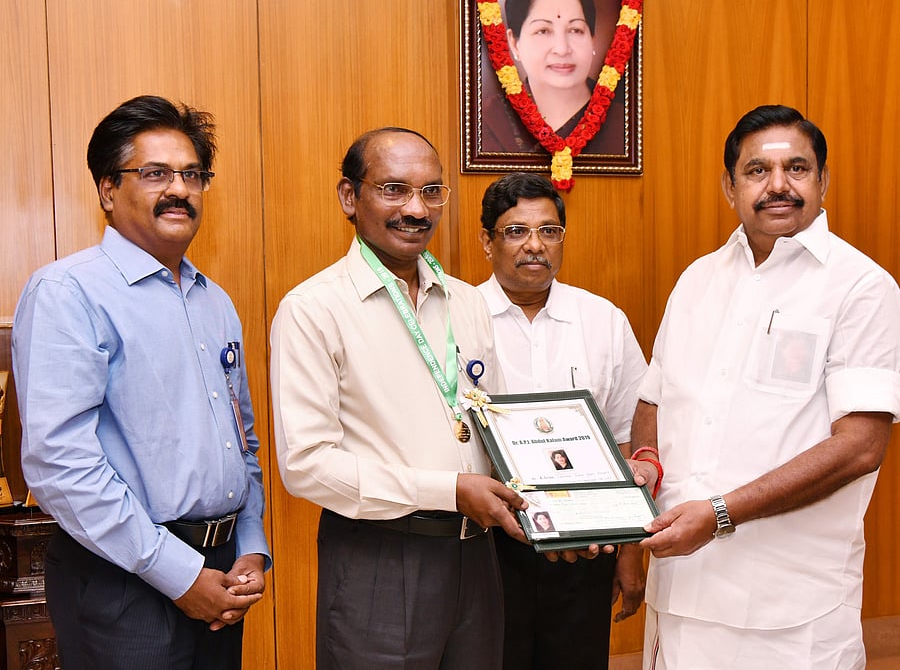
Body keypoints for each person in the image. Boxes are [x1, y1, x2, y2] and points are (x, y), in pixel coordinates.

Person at [632, 105, 900, 669]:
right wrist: (645, 464)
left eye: (797, 169)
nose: (778, 186)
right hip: (680, 588)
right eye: (757, 171)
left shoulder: (862, 287)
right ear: (729, 186)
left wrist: (722, 512)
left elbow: (860, 446)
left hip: (788, 608)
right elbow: (655, 398)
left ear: (823, 180)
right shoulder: (698, 279)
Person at [12, 95, 271, 670]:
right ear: (108, 190)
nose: (179, 188)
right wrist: (177, 575)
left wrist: (251, 546)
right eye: (154, 173)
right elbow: (60, 463)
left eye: (192, 174)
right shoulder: (67, 292)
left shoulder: (214, 300)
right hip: (124, 579)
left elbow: (242, 439)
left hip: (223, 572)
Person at [270, 127, 531, 670]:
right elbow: (306, 467)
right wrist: (447, 490)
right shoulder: (313, 310)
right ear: (350, 197)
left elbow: (496, 428)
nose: (416, 208)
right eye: (394, 189)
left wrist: (561, 508)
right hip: (379, 559)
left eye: (432, 191)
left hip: (476, 555)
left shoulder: (466, 302)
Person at [478, 172, 649, 670]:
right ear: (486, 241)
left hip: (586, 546)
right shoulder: (455, 320)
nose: (535, 246)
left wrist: (631, 549)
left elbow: (628, 441)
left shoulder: (603, 320)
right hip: (487, 547)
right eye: (516, 231)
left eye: (549, 231)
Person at [482, 0, 626, 155]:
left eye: (575, 30)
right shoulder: (488, 122)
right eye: (543, 31)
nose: (562, 49)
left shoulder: (624, 125)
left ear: (595, 37)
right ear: (514, 42)